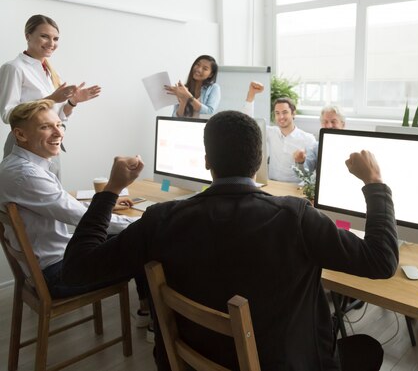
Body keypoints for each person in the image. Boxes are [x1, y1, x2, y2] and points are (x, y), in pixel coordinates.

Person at [61, 110, 399, 370]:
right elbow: (381, 261)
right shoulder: (296, 218)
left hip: (192, 362)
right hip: (282, 363)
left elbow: (77, 268)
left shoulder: (161, 220)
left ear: (207, 161)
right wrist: (375, 183)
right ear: (257, 164)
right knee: (367, 347)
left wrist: (111, 189)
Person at [0, 100, 143, 301]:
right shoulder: (26, 175)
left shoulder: (17, 165)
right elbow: (81, 218)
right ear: (21, 134)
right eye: (45, 127)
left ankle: (147, 309)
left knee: (135, 239)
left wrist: (104, 207)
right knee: (145, 242)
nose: (58, 133)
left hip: (53, 263)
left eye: (59, 125)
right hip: (57, 274)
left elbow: (68, 205)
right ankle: (157, 318)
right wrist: (143, 222)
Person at [0, 14, 101, 165]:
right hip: (25, 146)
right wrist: (51, 99)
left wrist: (73, 102)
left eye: (55, 39)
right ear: (28, 36)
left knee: (54, 189)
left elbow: (57, 116)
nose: (51, 43)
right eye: (44, 36)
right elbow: (8, 115)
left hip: (51, 145)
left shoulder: (51, 72)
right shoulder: (14, 68)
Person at [244, 84, 316, 182]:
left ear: (293, 113)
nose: (281, 117)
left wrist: (301, 162)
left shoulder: (308, 139)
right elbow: (247, 123)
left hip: (293, 187)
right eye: (277, 113)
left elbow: (308, 175)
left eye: (285, 112)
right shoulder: (271, 132)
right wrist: (251, 95)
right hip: (272, 184)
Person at [294, 105, 346, 173]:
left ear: (343, 124)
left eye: (333, 121)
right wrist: (300, 162)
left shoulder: (352, 146)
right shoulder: (316, 147)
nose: (329, 126)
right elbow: (305, 173)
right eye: (325, 122)